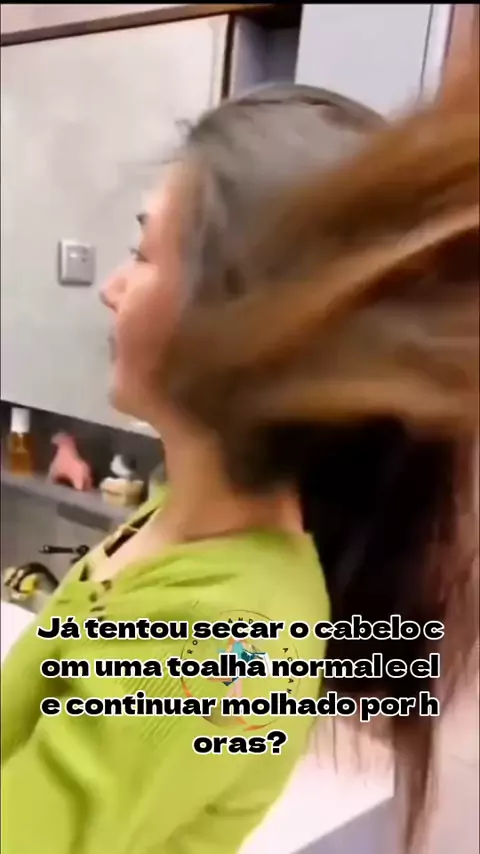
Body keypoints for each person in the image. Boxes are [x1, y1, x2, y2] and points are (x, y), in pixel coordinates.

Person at [2, 79, 478, 854]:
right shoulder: (180, 519)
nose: (112, 289)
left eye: (144, 255)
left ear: (249, 320)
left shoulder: (220, 631)